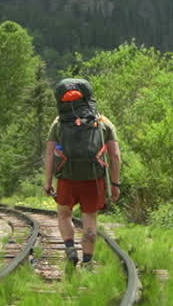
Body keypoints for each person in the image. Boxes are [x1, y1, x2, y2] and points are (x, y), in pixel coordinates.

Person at [42, 78, 121, 267]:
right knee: (90, 220)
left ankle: (70, 248)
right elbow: (115, 156)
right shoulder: (103, 122)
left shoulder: (59, 122)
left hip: (67, 178)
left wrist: (48, 182)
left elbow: (50, 154)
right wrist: (115, 184)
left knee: (64, 214)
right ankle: (87, 261)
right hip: (93, 180)